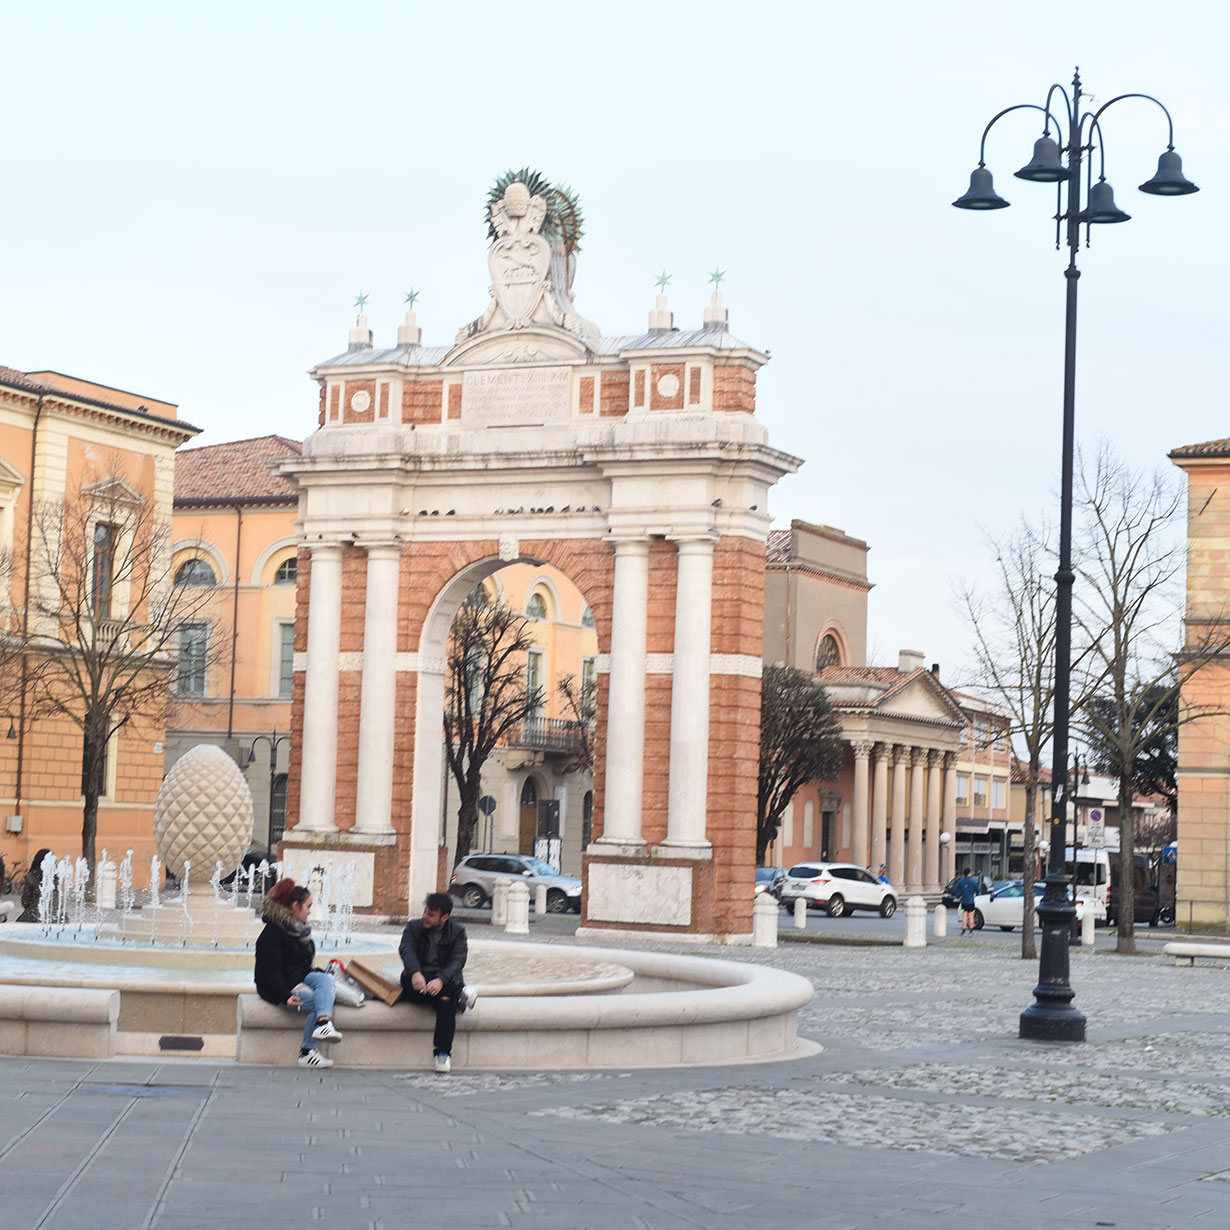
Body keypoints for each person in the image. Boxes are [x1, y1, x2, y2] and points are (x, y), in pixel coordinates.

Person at [254, 880, 343, 1067]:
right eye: (308, 906)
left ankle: (324, 1024)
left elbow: (302, 966)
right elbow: (271, 971)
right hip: (278, 986)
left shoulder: (298, 929)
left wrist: (321, 975)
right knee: (315, 1001)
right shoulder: (272, 933)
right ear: (295, 906)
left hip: (298, 978)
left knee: (326, 979)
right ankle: (307, 1052)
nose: (310, 911)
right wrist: (284, 996)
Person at [398, 891, 477, 1073]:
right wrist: (416, 973)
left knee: (445, 1002)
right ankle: (460, 991)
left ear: (445, 917)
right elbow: (406, 950)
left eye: (431, 915)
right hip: (417, 984)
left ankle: (442, 1055)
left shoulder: (457, 932)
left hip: (442, 983)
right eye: (425, 912)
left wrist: (440, 980)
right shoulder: (413, 927)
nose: (425, 917)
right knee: (410, 979)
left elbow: (457, 960)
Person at [954, 867, 981, 935]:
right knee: (971, 916)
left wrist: (959, 895)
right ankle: (971, 931)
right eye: (970, 873)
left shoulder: (961, 881)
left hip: (964, 902)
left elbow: (955, 889)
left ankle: (963, 930)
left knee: (964, 916)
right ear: (969, 873)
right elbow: (978, 889)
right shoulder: (973, 881)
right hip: (971, 902)